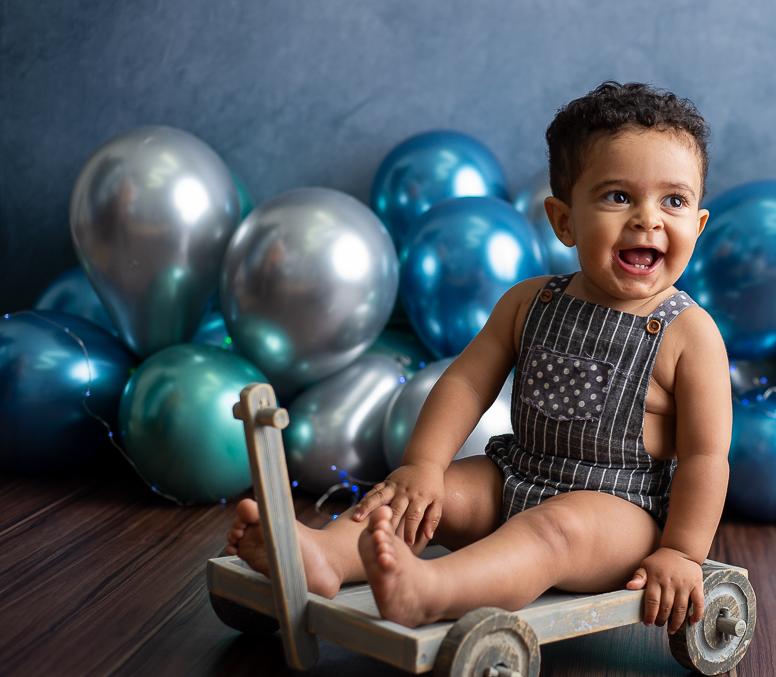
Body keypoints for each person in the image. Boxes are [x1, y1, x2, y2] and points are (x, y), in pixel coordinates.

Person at [226, 81, 732, 636]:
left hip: (619, 511)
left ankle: (433, 591)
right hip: (517, 473)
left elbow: (705, 457)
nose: (647, 219)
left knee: (553, 532)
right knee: (421, 498)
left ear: (697, 226)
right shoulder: (530, 302)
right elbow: (466, 384)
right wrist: (424, 466)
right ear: (564, 220)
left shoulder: (689, 334)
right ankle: (325, 556)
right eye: (618, 197)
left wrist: (682, 553)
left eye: (674, 201)